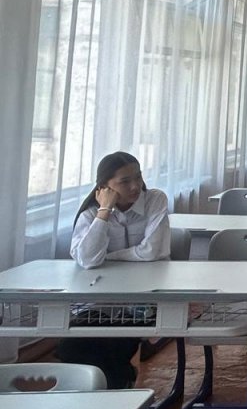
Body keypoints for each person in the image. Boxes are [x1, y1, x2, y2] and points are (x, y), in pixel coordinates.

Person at [57, 151, 171, 388]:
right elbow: (88, 259)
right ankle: (115, 386)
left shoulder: (155, 200)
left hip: (146, 297)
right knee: (74, 345)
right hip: (100, 301)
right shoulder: (91, 212)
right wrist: (104, 212)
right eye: (125, 181)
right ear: (104, 187)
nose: (135, 186)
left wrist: (107, 257)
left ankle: (114, 389)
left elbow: (151, 251)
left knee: (111, 340)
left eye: (138, 177)